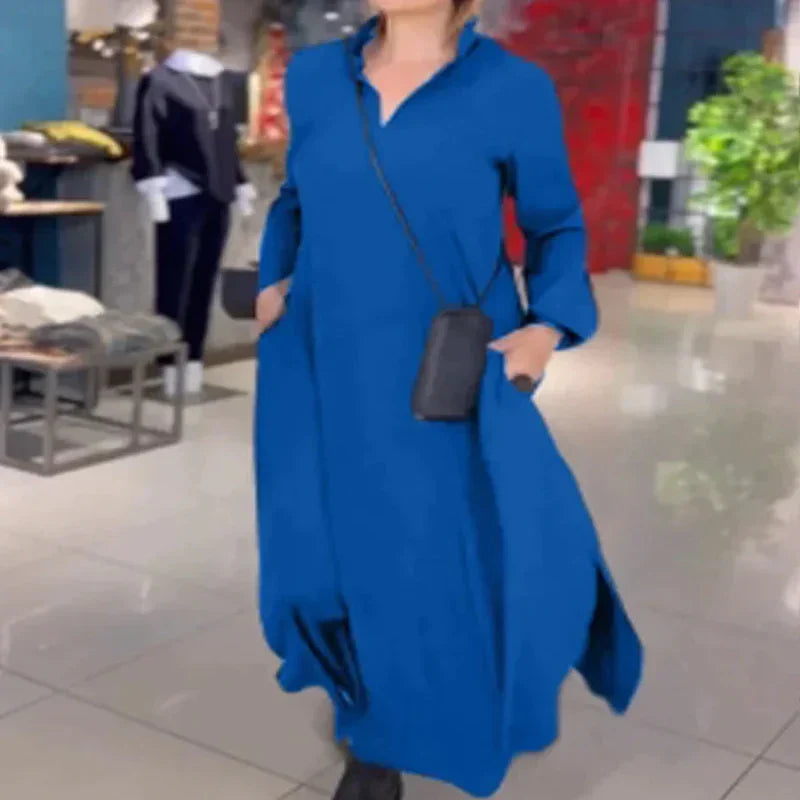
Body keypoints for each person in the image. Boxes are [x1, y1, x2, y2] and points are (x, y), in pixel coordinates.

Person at [254, 2, 643, 798]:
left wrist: (548, 328)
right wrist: (273, 276)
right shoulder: (317, 76)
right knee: (318, 553)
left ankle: (381, 741)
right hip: (322, 357)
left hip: (441, 371)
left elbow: (556, 225)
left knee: (425, 558)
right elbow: (296, 197)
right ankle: (366, 703)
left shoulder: (511, 88)